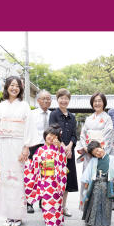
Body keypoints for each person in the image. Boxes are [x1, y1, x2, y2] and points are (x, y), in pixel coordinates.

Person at [0, 76, 40, 226]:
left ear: (20, 89)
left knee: (17, 180)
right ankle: (8, 214)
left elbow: (29, 127)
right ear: (6, 87)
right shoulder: (0, 106)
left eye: (17, 86)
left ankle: (17, 216)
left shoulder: (24, 106)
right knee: (5, 180)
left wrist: (26, 147)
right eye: (11, 85)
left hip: (18, 145)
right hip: (4, 144)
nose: (14, 88)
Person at [24, 124, 67, 226]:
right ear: (45, 135)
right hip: (45, 180)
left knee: (57, 200)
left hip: (56, 180)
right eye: (49, 134)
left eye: (54, 135)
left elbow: (63, 162)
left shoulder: (59, 148)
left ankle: (56, 220)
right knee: (48, 201)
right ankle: (50, 223)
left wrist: (58, 148)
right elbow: (34, 163)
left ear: (57, 138)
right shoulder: (40, 149)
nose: (51, 137)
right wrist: (32, 163)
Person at [78, 92, 114, 208]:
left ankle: (101, 208)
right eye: (95, 101)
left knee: (101, 179)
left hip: (101, 153)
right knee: (87, 178)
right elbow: (83, 135)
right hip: (89, 153)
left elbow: (108, 136)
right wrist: (86, 147)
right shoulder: (89, 118)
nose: (97, 103)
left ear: (104, 103)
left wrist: (98, 151)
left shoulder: (107, 118)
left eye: (100, 101)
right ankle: (86, 206)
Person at [49, 88, 78, 217]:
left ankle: (63, 206)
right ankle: (54, 205)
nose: (64, 100)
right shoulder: (54, 114)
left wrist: (70, 146)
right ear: (57, 99)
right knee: (55, 179)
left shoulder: (72, 117)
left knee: (66, 180)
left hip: (69, 153)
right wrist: (62, 146)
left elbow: (74, 135)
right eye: (61, 98)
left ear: (69, 100)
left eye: (66, 98)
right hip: (56, 152)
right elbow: (52, 132)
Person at [81, 141, 114, 226]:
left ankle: (104, 221)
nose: (98, 153)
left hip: (107, 184)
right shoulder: (93, 160)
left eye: (98, 150)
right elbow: (88, 172)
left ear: (101, 146)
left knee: (106, 203)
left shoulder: (112, 158)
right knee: (94, 202)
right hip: (95, 184)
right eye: (95, 153)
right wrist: (86, 183)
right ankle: (92, 221)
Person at [27, 89, 52, 214]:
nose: (46, 100)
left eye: (48, 98)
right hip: (34, 147)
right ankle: (29, 203)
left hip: (49, 149)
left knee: (47, 174)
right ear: (38, 101)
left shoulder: (52, 115)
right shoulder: (31, 114)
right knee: (32, 175)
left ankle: (44, 201)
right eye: (44, 98)